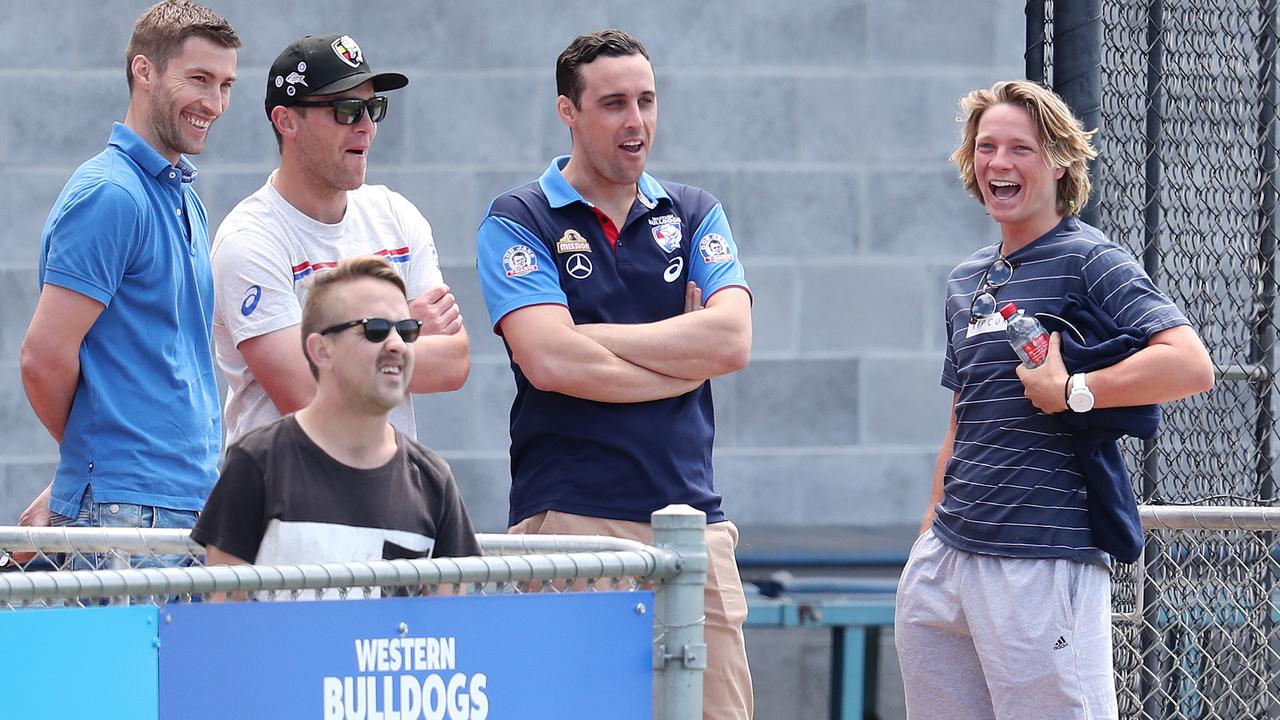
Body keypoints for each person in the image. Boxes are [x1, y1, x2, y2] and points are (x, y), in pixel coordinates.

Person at [894, 80, 1216, 719]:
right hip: (947, 561)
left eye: (1022, 148)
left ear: (1060, 162)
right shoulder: (967, 279)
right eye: (987, 147)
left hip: (1042, 561)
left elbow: (1190, 364)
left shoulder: (1090, 258)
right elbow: (963, 417)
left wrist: (1076, 390)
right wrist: (930, 533)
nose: (999, 163)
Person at [475, 29, 754, 720]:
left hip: (692, 523)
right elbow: (549, 360)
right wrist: (678, 358)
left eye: (647, 101)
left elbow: (731, 340)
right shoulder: (519, 219)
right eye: (613, 104)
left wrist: (595, 338)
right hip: (572, 517)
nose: (636, 122)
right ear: (568, 112)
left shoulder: (693, 213)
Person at [16, 0, 239, 552]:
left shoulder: (181, 193)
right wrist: (98, 460)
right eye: (199, 79)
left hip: (180, 502)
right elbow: (42, 360)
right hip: (131, 511)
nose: (214, 103)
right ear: (145, 71)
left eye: (226, 84)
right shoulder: (112, 195)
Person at [211, 33, 468, 445]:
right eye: (347, 110)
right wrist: (401, 329)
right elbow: (306, 395)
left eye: (374, 107)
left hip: (391, 494)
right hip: (287, 497)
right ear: (286, 121)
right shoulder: (250, 238)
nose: (367, 126)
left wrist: (338, 351)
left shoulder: (396, 215)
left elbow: (455, 363)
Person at [192, 255, 481, 592]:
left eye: (407, 331)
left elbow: (454, 625)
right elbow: (225, 624)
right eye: (374, 329)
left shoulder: (432, 478)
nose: (395, 344)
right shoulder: (257, 463)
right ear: (320, 350)